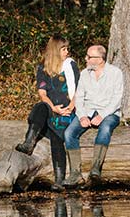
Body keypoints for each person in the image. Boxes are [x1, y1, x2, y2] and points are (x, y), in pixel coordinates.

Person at [15, 35, 79, 191]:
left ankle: (59, 180)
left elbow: (79, 90)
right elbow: (43, 94)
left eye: (67, 49)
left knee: (57, 133)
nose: (67, 52)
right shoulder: (43, 67)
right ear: (55, 50)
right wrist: (54, 108)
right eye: (63, 49)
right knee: (40, 107)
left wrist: (70, 107)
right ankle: (29, 142)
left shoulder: (71, 65)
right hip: (52, 109)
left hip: (69, 111)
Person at [63, 44, 124, 187]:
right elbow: (79, 98)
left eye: (89, 57)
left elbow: (117, 99)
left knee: (105, 128)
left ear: (100, 59)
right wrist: (82, 116)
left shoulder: (115, 73)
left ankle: (96, 168)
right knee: (69, 133)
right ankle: (75, 173)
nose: (86, 59)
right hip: (88, 111)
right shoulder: (85, 73)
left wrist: (102, 116)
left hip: (109, 112)